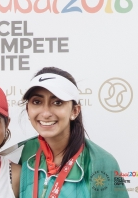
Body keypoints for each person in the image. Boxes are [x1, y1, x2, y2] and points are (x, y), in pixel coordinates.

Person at [18, 67, 129, 198]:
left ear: (74, 111)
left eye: (57, 102)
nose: (46, 113)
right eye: (37, 102)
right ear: (28, 109)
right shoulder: (24, 151)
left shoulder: (101, 162)